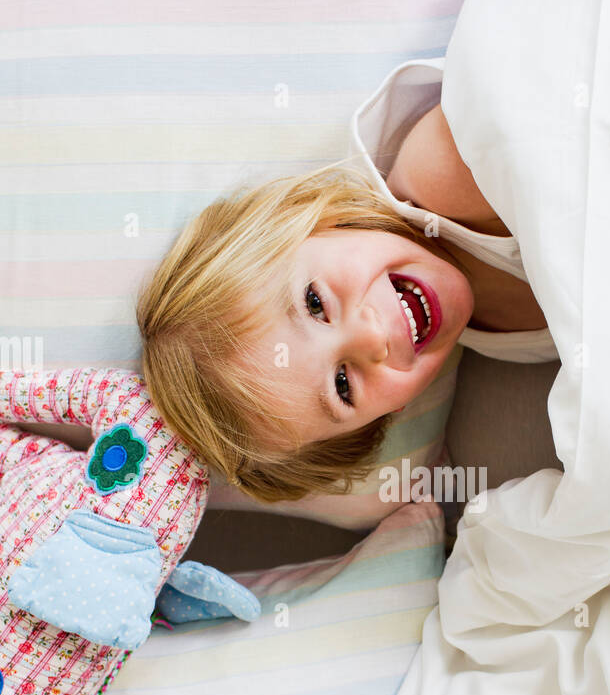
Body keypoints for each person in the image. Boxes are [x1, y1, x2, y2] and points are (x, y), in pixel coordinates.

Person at [136, 57, 557, 503]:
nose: (372, 335)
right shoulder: (509, 346)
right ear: (386, 415)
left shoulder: (439, 175)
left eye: (315, 303)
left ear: (316, 221)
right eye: (343, 386)